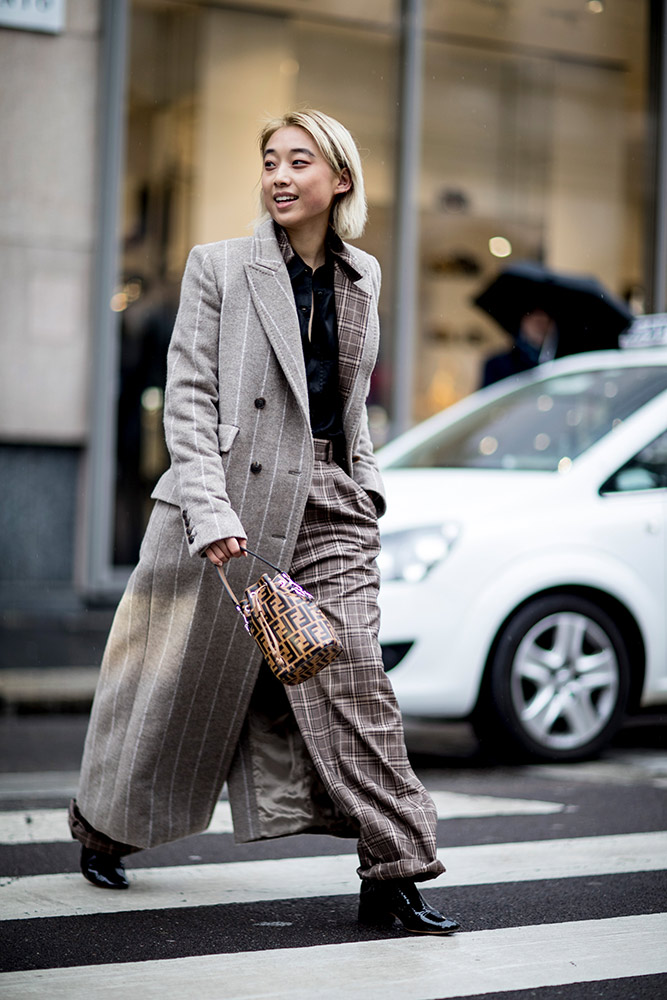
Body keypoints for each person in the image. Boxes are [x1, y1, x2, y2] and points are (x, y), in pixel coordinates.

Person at [69, 109, 460, 936]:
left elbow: (352, 405)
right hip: (231, 504)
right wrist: (208, 510)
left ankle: (394, 870)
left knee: (356, 677)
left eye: (300, 162)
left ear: (340, 181)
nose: (280, 176)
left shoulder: (363, 276)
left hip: (329, 504)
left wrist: (367, 488)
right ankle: (104, 826)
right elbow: (189, 398)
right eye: (270, 161)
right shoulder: (220, 267)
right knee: (179, 689)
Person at [481, 306, 558, 386]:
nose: (541, 328)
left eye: (547, 322)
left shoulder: (559, 361)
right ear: (524, 322)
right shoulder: (498, 365)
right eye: (537, 322)